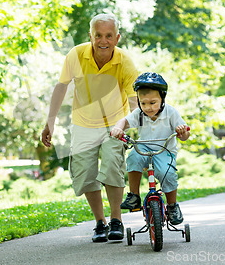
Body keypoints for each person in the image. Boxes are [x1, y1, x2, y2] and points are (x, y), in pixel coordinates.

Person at [41, 13, 138, 242]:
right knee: (85, 174)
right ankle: (100, 223)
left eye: (108, 36)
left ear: (117, 37)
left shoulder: (125, 61)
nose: (103, 41)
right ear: (90, 36)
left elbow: (134, 98)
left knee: (113, 167)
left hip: (115, 123)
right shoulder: (76, 55)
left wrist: (134, 123)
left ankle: (116, 220)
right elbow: (61, 87)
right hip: (83, 123)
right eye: (98, 35)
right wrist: (50, 121)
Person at [110, 72, 190, 225]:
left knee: (167, 173)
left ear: (162, 99)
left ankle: (172, 206)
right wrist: (118, 128)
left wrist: (182, 132)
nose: (148, 107)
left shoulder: (171, 112)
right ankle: (134, 196)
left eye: (153, 102)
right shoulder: (139, 114)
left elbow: (185, 135)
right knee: (133, 157)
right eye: (143, 103)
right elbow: (124, 122)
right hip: (144, 147)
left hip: (164, 149)